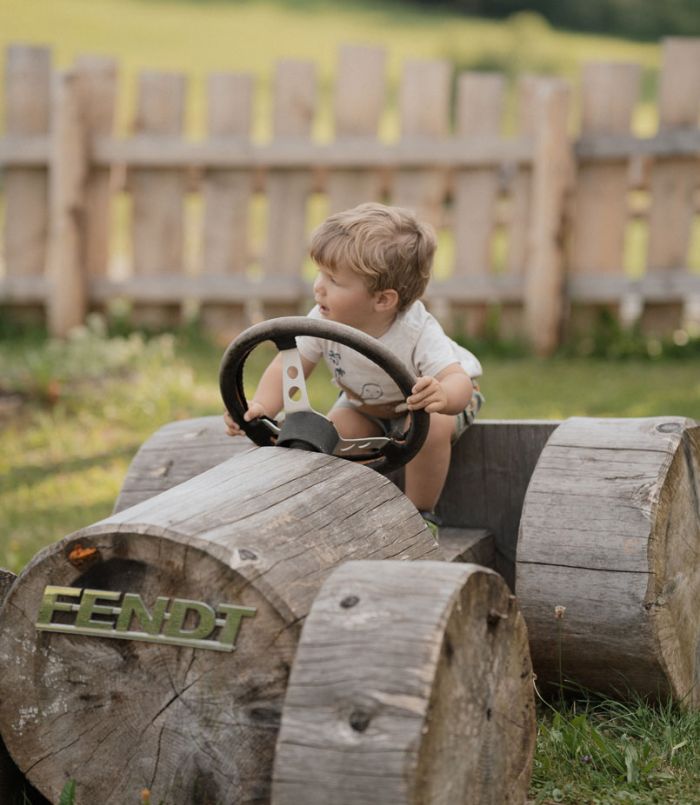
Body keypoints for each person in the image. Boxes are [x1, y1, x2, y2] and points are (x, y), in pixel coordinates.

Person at [224, 202, 483, 537]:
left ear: (383, 300)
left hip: (429, 404)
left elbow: (457, 381)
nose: (319, 286)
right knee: (328, 432)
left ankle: (421, 514)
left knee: (432, 426)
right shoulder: (322, 320)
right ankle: (346, 507)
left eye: (333, 279)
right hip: (364, 404)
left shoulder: (418, 330)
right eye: (320, 273)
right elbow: (288, 367)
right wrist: (262, 406)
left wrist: (442, 394)